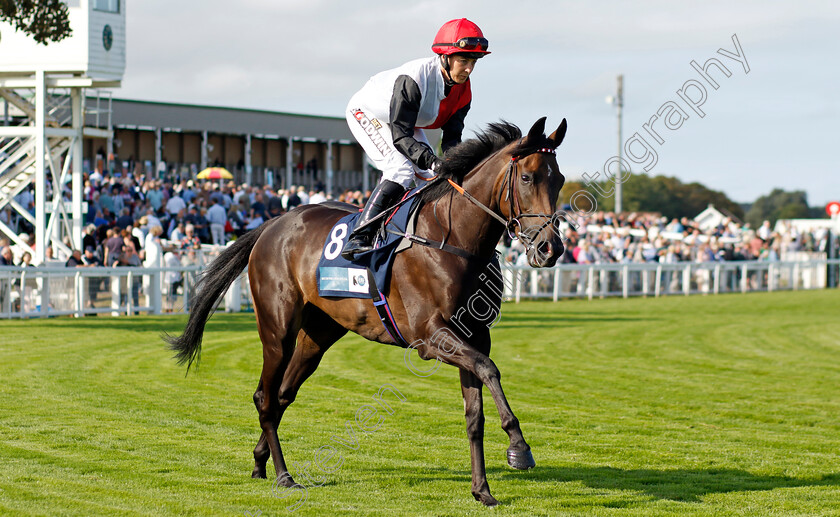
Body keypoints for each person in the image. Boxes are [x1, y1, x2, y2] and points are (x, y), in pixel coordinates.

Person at [341, 18, 490, 259]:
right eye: (463, 61)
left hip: (403, 122)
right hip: (367, 113)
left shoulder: (464, 90)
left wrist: (455, 166)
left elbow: (452, 140)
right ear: (445, 57)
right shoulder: (414, 79)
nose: (469, 69)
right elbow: (401, 137)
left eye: (473, 62)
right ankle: (360, 235)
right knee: (400, 169)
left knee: (432, 179)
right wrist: (433, 160)